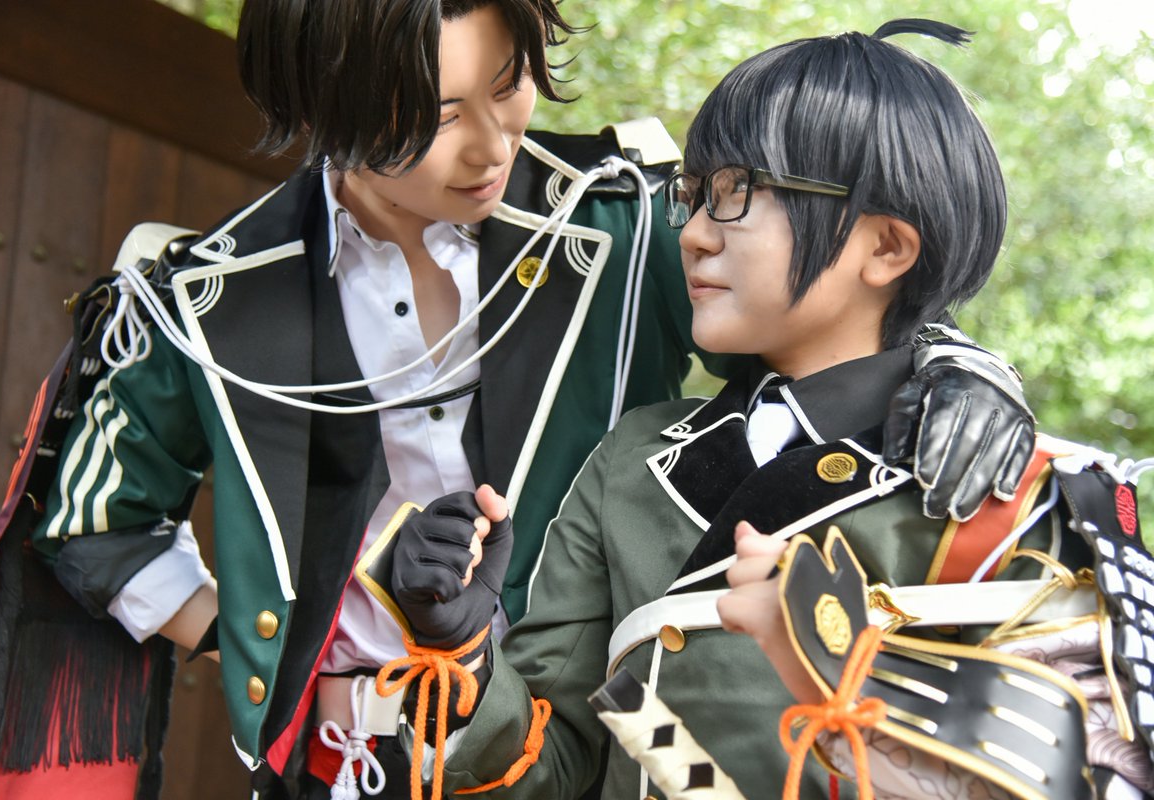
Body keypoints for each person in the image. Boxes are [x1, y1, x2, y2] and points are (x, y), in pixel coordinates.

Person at [0, 4, 1036, 800]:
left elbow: (832, 296)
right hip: (340, 758)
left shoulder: (621, 223)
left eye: (509, 82)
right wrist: (273, 651)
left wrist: (963, 367)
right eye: (434, 117)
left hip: (581, 749)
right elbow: (92, 521)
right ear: (328, 112)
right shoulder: (210, 295)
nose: (492, 143)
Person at [370, 17, 1146, 800]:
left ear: (886, 247)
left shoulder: (1015, 495)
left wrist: (840, 665)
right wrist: (463, 651)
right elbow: (551, 766)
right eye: (694, 196)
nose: (694, 235)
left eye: (737, 193)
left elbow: (1084, 772)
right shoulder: (634, 458)